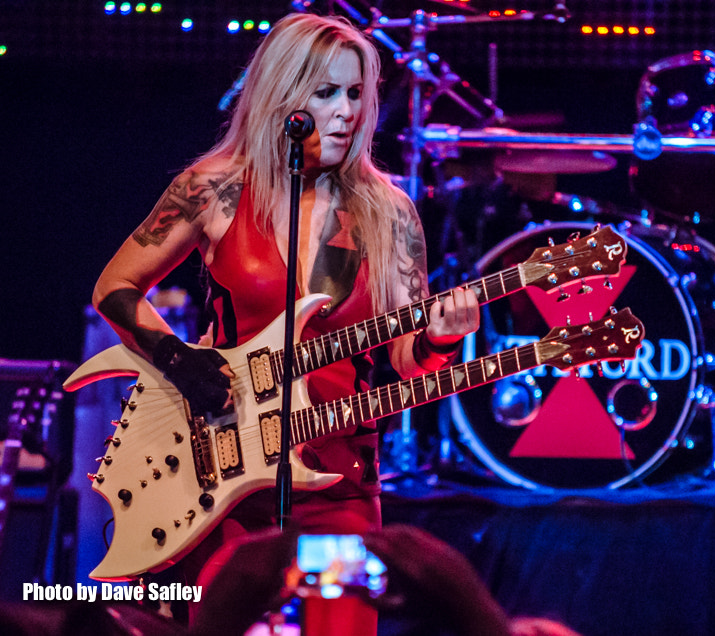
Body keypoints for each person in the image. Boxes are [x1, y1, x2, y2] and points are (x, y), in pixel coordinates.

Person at [91, 12, 480, 634]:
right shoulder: (213, 188)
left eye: (356, 93)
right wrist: (179, 361)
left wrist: (442, 336)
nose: (346, 110)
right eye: (326, 92)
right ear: (283, 95)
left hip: (338, 475)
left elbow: (408, 359)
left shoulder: (389, 212)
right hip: (219, 472)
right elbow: (115, 287)